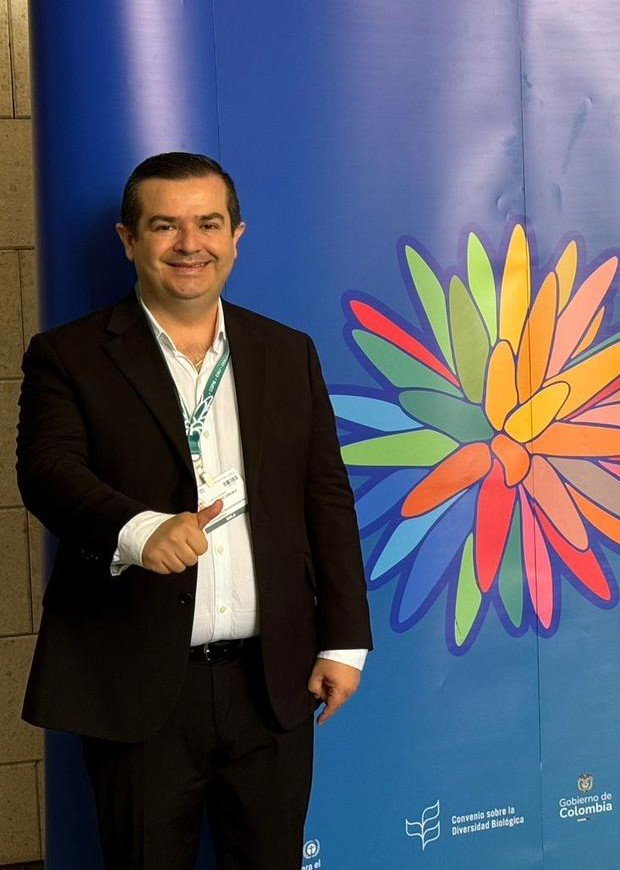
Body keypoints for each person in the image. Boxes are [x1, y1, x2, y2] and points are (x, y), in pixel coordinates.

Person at [16, 152, 372, 869]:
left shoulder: (286, 352)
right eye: (165, 226)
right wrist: (139, 529)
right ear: (128, 240)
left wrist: (343, 640)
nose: (190, 244)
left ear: (236, 236)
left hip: (271, 682)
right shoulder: (69, 355)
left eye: (209, 224)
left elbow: (326, 497)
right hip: (138, 682)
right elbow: (47, 472)